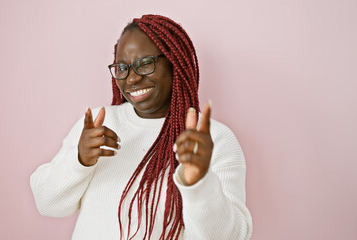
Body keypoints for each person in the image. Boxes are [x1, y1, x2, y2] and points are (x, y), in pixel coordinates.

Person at [30, 14, 253, 240]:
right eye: (122, 68)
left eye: (145, 64)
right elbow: (47, 204)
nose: (132, 79)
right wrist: (79, 161)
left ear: (174, 62)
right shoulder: (99, 124)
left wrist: (199, 183)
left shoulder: (213, 140)